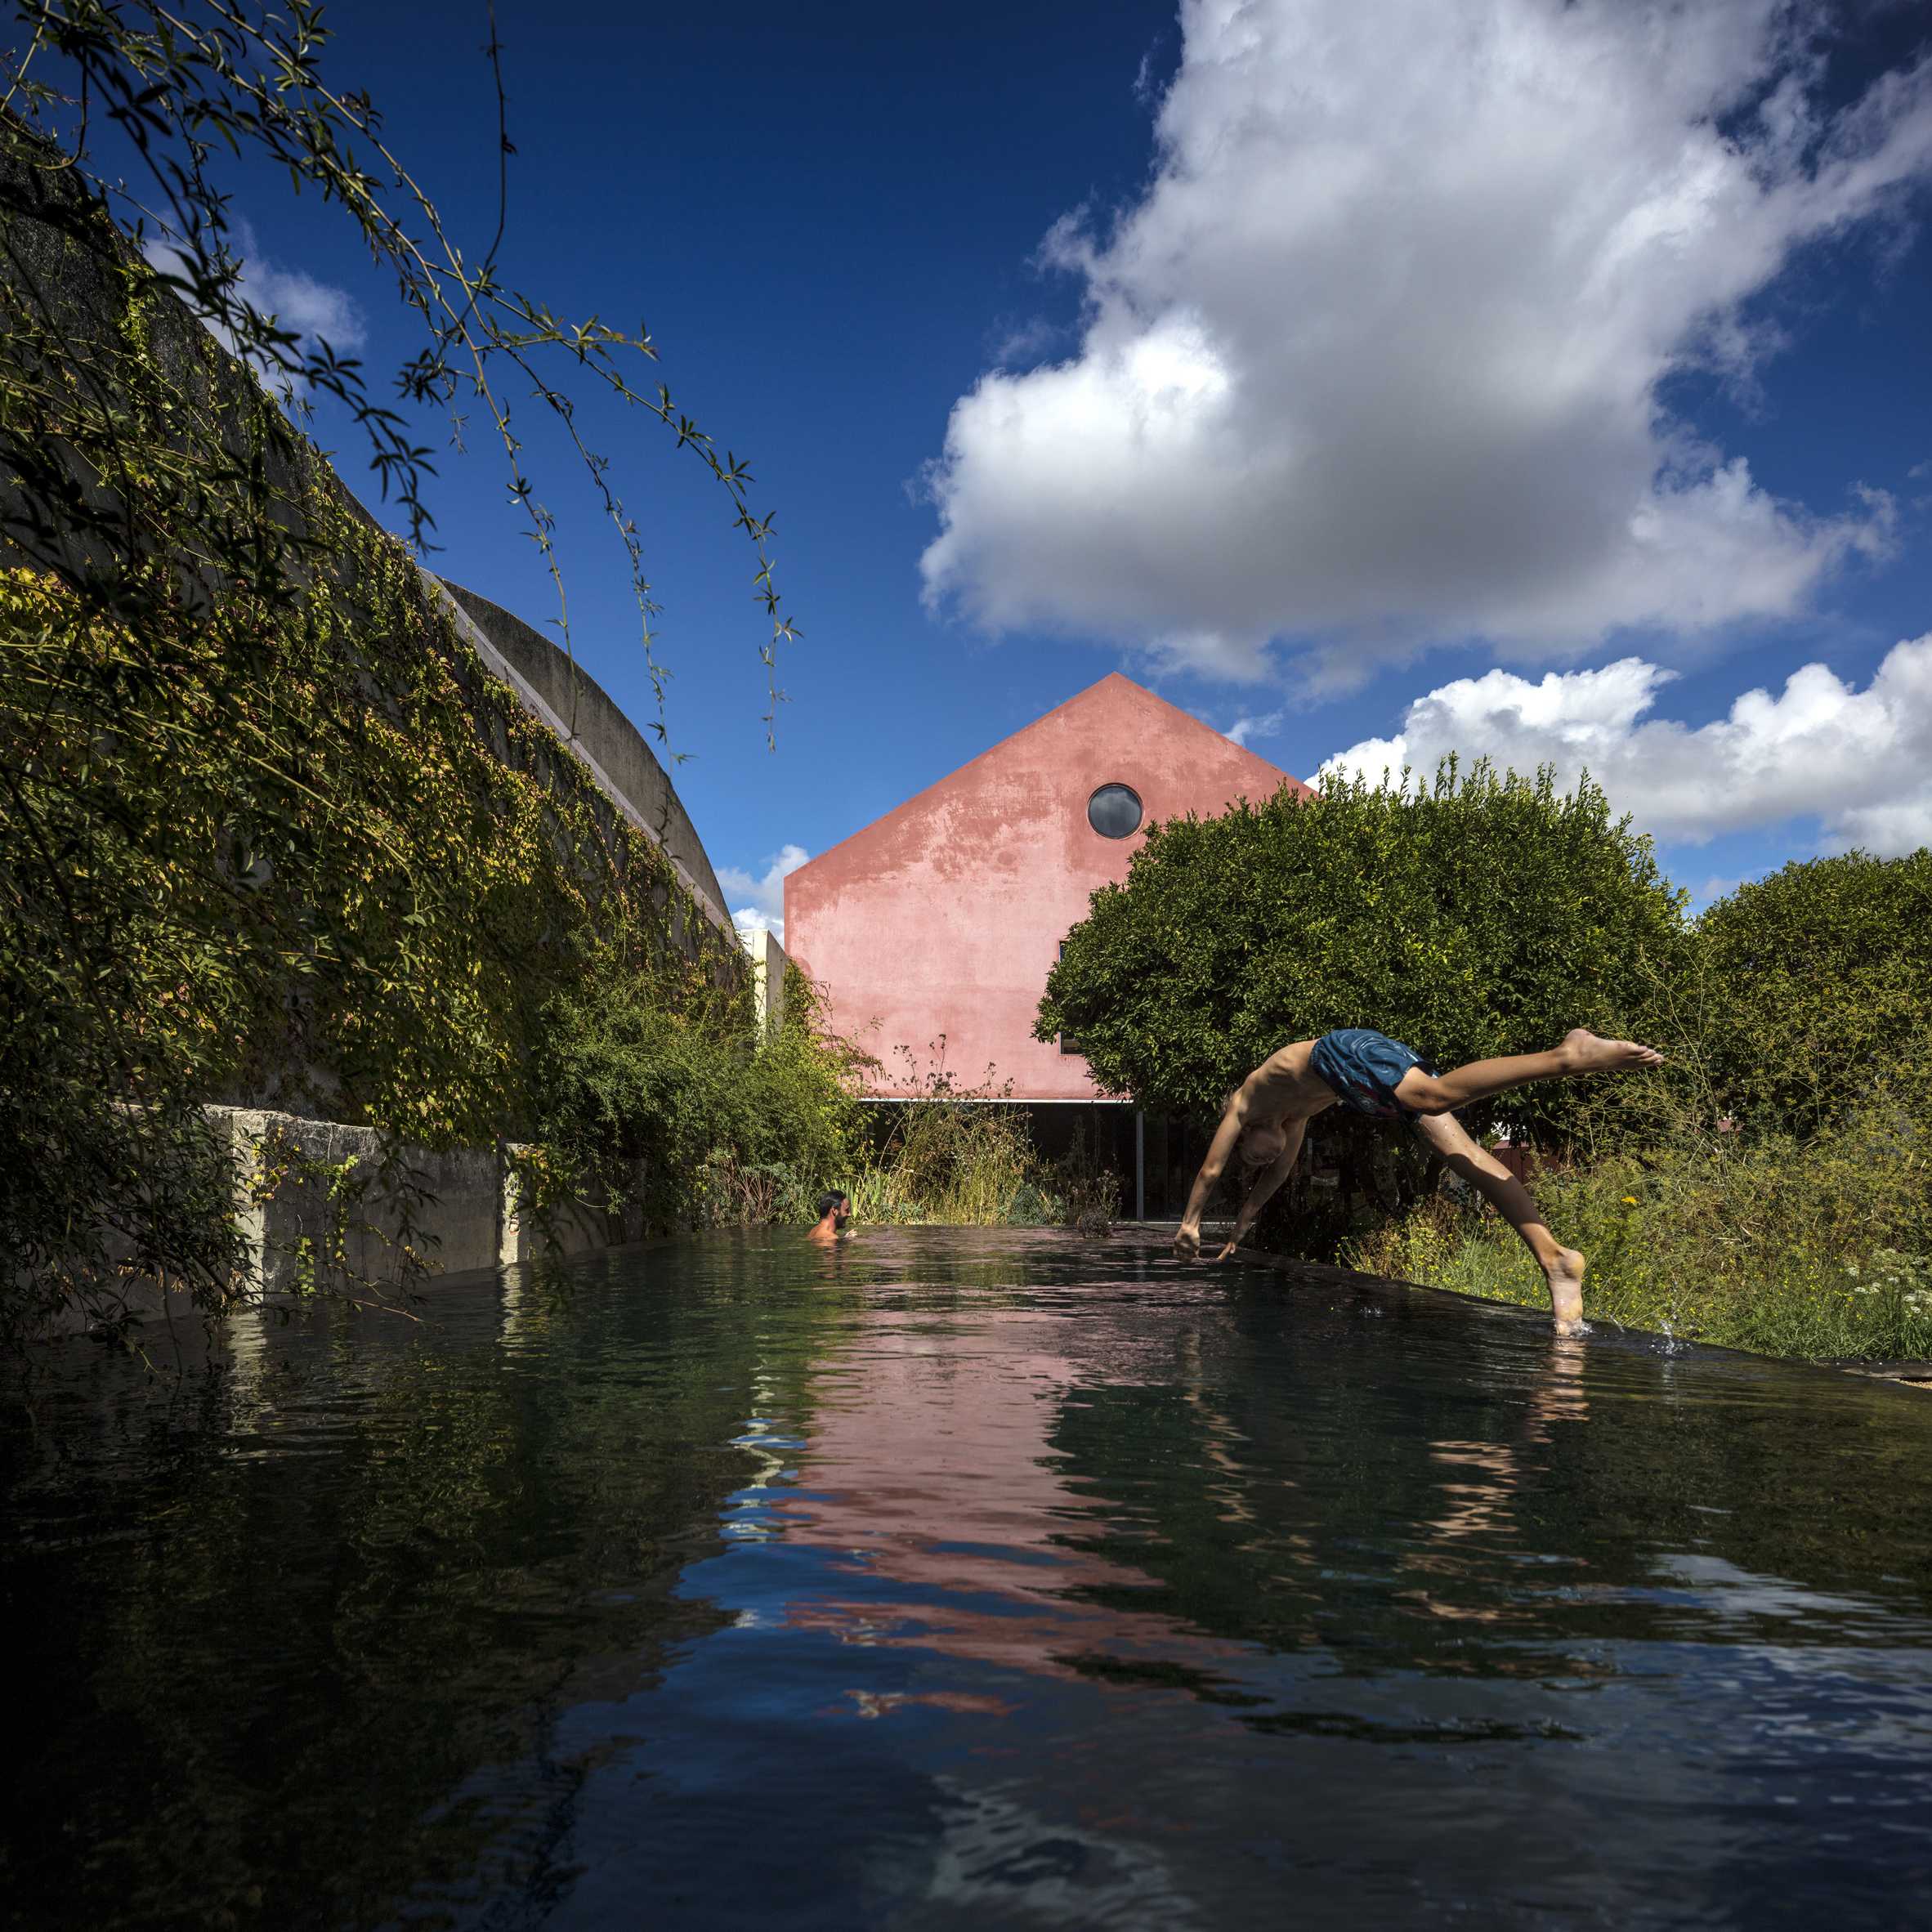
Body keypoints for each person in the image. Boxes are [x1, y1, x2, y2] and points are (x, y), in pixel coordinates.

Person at [1172, 1027, 1663, 1333]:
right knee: (1462, 1154)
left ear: (1244, 1135)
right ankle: (1555, 1260)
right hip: (1354, 1085)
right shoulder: (1292, 1118)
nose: (1265, 1159)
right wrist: (1243, 1223)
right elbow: (1277, 1177)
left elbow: (1210, 1170)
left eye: (1253, 1157)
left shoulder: (1245, 1105)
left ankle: (1567, 1055)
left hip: (1340, 1054)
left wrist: (1190, 1224)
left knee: (1434, 1095)